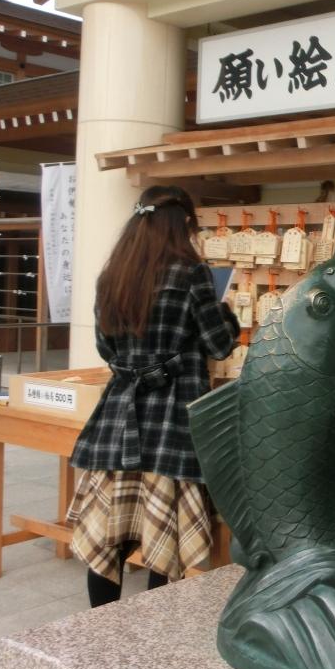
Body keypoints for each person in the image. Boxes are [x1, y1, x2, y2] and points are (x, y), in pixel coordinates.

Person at [68, 186, 239, 607]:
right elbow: (219, 345)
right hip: (171, 415)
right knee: (164, 534)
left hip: (118, 415)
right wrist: (227, 311)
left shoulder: (112, 275)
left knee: (109, 536)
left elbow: (107, 350)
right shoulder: (192, 274)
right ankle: (147, 624)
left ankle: (100, 623)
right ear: (182, 224)